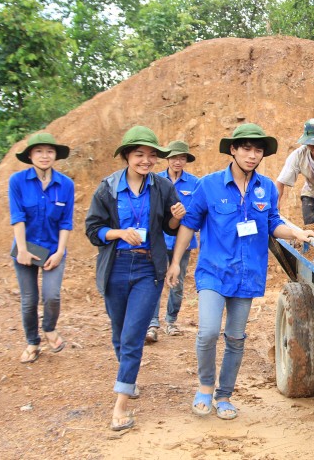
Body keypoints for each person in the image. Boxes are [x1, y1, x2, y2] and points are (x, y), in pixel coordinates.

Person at [165, 123, 314, 421]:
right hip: (213, 271)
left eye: (258, 150)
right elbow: (189, 224)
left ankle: (225, 395)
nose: (252, 155)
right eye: (246, 148)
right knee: (208, 332)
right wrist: (175, 263)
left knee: (235, 337)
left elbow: (273, 223)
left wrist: (299, 233)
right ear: (233, 150)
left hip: (248, 273)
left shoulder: (267, 188)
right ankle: (205, 387)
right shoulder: (208, 185)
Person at [85, 126, 186, 431]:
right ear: (127, 155)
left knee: (132, 336)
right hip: (115, 265)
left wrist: (175, 217)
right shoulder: (107, 188)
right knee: (118, 332)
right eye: (140, 154)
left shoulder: (162, 186)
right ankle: (127, 377)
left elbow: (169, 228)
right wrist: (117, 233)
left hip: (147, 269)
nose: (146, 160)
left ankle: (120, 405)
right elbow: (93, 230)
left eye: (152, 155)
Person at [9, 133, 75, 364]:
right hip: (25, 247)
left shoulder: (66, 184)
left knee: (52, 295)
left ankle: (49, 329)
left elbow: (66, 221)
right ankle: (32, 342)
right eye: (39, 151)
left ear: (55, 155)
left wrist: (59, 252)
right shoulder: (17, 181)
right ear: (30, 155)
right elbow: (17, 217)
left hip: (53, 249)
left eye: (49, 151)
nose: (44, 156)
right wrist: (23, 251)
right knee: (29, 299)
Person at [146, 140, 200, 342]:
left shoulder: (195, 183)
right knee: (154, 280)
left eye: (182, 158)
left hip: (183, 241)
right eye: (174, 157)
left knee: (176, 282)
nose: (178, 161)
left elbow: (197, 211)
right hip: (158, 239)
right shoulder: (155, 180)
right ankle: (152, 324)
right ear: (167, 159)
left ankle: (171, 321)